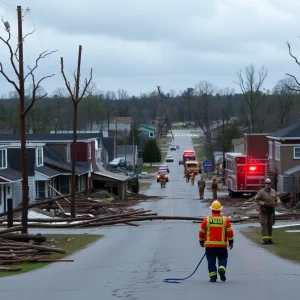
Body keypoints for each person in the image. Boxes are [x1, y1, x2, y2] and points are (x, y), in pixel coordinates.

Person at [199, 200, 234, 283]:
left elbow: (202, 231)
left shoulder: (207, 219)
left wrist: (201, 241)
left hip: (210, 246)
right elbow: (230, 231)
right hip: (222, 246)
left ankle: (213, 277)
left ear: (212, 209)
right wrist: (231, 242)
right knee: (223, 258)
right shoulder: (225, 220)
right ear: (220, 210)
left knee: (211, 261)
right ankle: (221, 268)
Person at [255, 178, 280, 244]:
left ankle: (269, 239)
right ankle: (264, 240)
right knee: (264, 224)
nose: (268, 185)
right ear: (265, 184)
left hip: (271, 211)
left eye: (269, 183)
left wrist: (277, 202)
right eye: (267, 183)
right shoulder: (261, 192)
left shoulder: (273, 191)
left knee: (270, 225)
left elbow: (277, 198)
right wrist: (264, 203)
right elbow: (256, 200)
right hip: (264, 211)